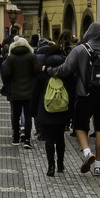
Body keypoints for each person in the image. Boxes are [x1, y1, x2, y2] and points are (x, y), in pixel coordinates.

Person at [55, 21, 100, 176]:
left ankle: (87, 153)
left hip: (85, 95)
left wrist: (50, 71)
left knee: (79, 126)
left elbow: (65, 69)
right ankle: (98, 166)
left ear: (89, 33)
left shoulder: (80, 50)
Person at [36, 46, 71, 176]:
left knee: (49, 138)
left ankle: (51, 166)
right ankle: (60, 164)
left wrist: (34, 112)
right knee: (60, 137)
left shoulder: (42, 74)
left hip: (46, 109)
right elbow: (72, 93)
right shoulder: (66, 73)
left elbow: (35, 93)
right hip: (63, 109)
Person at [0, 36, 39, 147]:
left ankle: (16, 138)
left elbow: (6, 74)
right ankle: (27, 140)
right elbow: (37, 71)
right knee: (27, 116)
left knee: (15, 115)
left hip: (14, 91)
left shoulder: (11, 58)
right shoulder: (32, 57)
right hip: (29, 91)